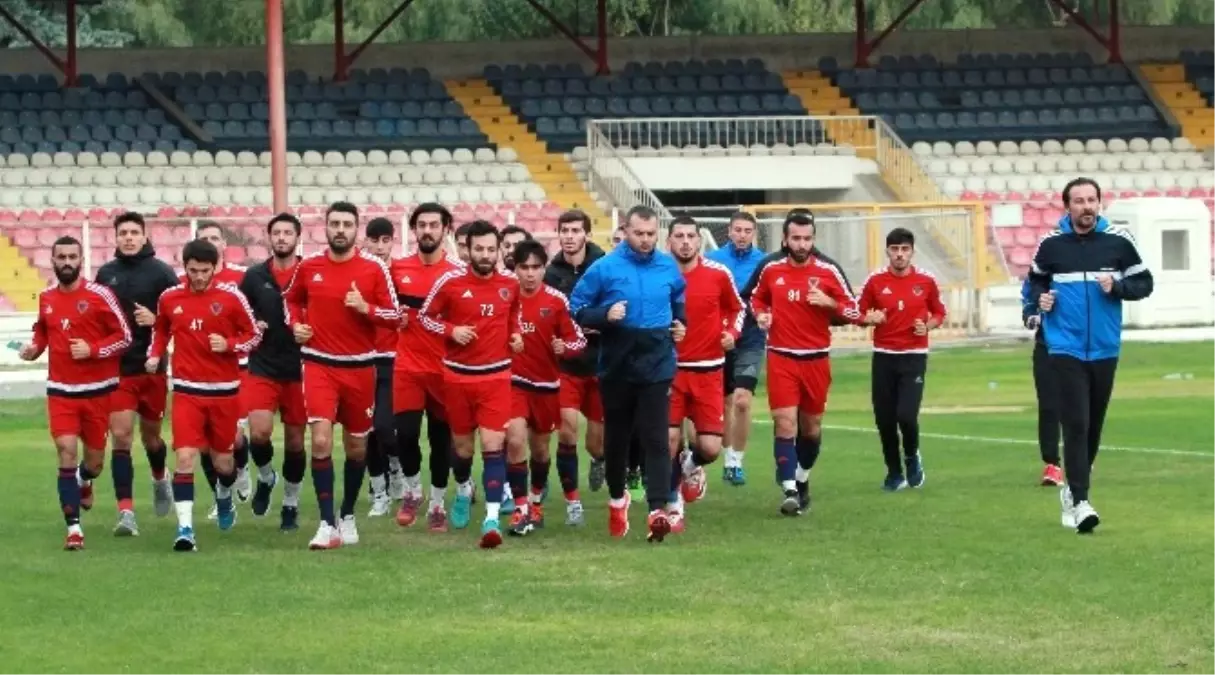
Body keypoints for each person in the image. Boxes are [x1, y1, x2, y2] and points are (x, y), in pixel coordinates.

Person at [1028, 177, 1153, 533]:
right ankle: (1081, 501)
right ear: (1067, 206)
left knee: (1093, 426)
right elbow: (1035, 281)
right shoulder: (1051, 245)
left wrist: (1119, 287)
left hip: (1104, 346)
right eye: (1079, 201)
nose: (1086, 206)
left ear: (1100, 203)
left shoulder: (1119, 241)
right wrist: (1041, 300)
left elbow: (1145, 284)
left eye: (1091, 200)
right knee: (1077, 423)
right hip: (1063, 345)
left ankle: (1072, 489)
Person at [284, 201, 401, 550]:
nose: (340, 230)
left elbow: (396, 317)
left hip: (361, 367)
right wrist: (297, 325)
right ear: (325, 227)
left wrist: (366, 308)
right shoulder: (309, 268)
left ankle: (347, 513)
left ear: (356, 229)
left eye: (346, 224)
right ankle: (325, 523)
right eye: (334, 223)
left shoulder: (373, 269)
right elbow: (290, 301)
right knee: (319, 441)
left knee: (356, 447)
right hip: (319, 364)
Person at [569, 205, 687, 543]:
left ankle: (657, 510)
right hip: (617, 365)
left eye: (651, 234)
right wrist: (605, 314)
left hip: (657, 362)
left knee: (656, 437)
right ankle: (618, 500)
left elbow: (677, 299)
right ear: (626, 230)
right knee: (617, 439)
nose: (646, 240)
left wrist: (681, 324)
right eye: (639, 234)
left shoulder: (667, 265)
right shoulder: (604, 268)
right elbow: (576, 309)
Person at [147, 239, 261, 551]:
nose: (198, 276)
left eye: (204, 271)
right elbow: (161, 329)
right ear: (184, 267)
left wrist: (229, 345)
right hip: (186, 391)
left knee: (224, 465)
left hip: (224, 393)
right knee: (185, 458)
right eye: (193, 270)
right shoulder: (170, 298)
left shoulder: (231, 297)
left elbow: (254, 335)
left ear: (215, 268)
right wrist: (155, 354)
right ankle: (185, 530)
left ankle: (224, 496)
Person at [20, 236, 132, 549]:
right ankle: (74, 530)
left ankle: (85, 481)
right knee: (66, 450)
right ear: (52, 261)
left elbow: (124, 337)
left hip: (97, 392)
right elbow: (43, 330)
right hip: (61, 391)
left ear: (81, 260)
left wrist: (93, 349)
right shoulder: (46, 297)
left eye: (72, 256)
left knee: (94, 463)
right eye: (61, 257)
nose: (67, 262)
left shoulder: (100, 295)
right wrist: (35, 349)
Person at [418, 219, 523, 549]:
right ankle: (463, 488)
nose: (486, 254)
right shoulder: (449, 282)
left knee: (494, 445)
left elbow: (513, 318)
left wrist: (516, 336)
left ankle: (491, 518)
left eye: (492, 249)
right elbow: (424, 317)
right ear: (467, 249)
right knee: (462, 450)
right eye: (479, 248)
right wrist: (452, 331)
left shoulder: (511, 284)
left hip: (496, 377)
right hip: (458, 377)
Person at [750, 210, 860, 516]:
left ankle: (801, 479)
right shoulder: (771, 270)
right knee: (784, 423)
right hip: (781, 357)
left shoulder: (828, 272)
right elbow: (756, 299)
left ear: (814, 240)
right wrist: (761, 315)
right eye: (795, 238)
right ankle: (788, 491)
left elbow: (855, 311)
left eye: (807, 238)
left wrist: (831, 304)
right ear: (785, 239)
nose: (801, 244)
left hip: (816, 360)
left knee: (810, 429)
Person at [94, 211, 179, 524]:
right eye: (123, 233)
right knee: (121, 436)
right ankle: (125, 511)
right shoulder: (105, 275)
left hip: (152, 368)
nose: (128, 237)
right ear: (115, 238)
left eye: (134, 232)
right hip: (118, 370)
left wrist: (155, 320)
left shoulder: (162, 274)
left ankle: (160, 477)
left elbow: (180, 319)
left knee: (152, 439)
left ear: (145, 236)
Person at [665, 217, 744, 531]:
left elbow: (738, 310)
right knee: (669, 439)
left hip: (709, 371)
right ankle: (674, 505)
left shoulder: (718, 274)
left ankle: (690, 466)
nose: (685, 242)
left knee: (710, 448)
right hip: (669, 371)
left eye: (690, 236)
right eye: (679, 236)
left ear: (699, 241)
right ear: (669, 241)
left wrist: (731, 335)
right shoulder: (660, 273)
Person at [505, 239, 587, 534]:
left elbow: (579, 340)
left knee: (540, 451)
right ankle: (520, 508)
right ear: (515, 269)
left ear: (544, 269)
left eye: (536, 267)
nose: (529, 274)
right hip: (513, 383)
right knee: (515, 440)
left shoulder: (556, 301)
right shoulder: (505, 296)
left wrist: (565, 347)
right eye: (523, 267)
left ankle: (536, 501)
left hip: (547, 386)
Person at [857, 228, 947, 491]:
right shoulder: (874, 281)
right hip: (884, 356)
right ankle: (894, 473)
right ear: (887, 251)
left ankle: (911, 456)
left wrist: (927, 326)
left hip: (913, 356)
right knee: (884, 419)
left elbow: (940, 312)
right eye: (895, 249)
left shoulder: (926, 281)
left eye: (904, 249)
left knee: (906, 416)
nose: (899, 254)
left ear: (912, 251)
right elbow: (857, 312)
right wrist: (868, 319)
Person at [391, 203, 463, 532]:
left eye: (434, 225)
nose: (428, 230)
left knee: (440, 440)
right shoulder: (397, 268)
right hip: (407, 366)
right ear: (414, 229)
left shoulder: (457, 274)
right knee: (404, 435)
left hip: (444, 369)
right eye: (422, 225)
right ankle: (412, 491)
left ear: (446, 229)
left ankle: (437, 504)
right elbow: (384, 310)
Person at [238, 213, 308, 530]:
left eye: (287, 232)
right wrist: (252, 324)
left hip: (301, 368)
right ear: (268, 237)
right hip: (263, 365)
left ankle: (290, 505)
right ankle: (267, 477)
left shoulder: (309, 273)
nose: (281, 237)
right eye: (276, 232)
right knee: (259, 433)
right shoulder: (253, 276)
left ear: (297, 237)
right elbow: (238, 314)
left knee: (295, 442)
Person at [185, 223, 254, 519]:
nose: (210, 243)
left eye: (215, 238)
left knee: (234, 437)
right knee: (203, 444)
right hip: (199, 376)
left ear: (224, 244)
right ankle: (219, 495)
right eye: (204, 240)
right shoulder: (187, 282)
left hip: (236, 370)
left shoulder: (242, 277)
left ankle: (242, 468)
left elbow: (255, 317)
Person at [543, 209, 608, 496]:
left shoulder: (605, 267)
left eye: (575, 231)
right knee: (567, 430)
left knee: (597, 443)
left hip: (601, 364)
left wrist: (598, 322)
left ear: (587, 234)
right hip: (566, 365)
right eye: (565, 231)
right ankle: (571, 498)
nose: (569, 237)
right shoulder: (551, 273)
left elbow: (617, 307)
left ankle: (599, 459)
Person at [706, 211, 767, 486]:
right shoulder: (715, 260)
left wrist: (768, 314)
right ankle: (726, 456)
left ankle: (735, 462)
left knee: (743, 400)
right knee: (727, 401)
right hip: (723, 337)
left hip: (751, 338)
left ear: (754, 233)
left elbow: (769, 298)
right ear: (728, 232)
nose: (742, 235)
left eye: (747, 231)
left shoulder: (764, 262)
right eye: (738, 230)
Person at [362, 216, 401, 517]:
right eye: (374, 240)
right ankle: (379, 491)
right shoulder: (359, 273)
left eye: (385, 240)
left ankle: (396, 464)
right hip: (360, 359)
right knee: (366, 431)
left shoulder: (401, 274)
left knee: (386, 427)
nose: (379, 247)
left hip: (393, 358)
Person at [1021, 268, 1063, 486]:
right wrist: (1031, 316)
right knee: (1048, 406)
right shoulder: (1042, 269)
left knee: (1080, 404)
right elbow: (1029, 301)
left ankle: (1084, 457)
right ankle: (1052, 465)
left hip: (1079, 346)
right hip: (1046, 345)